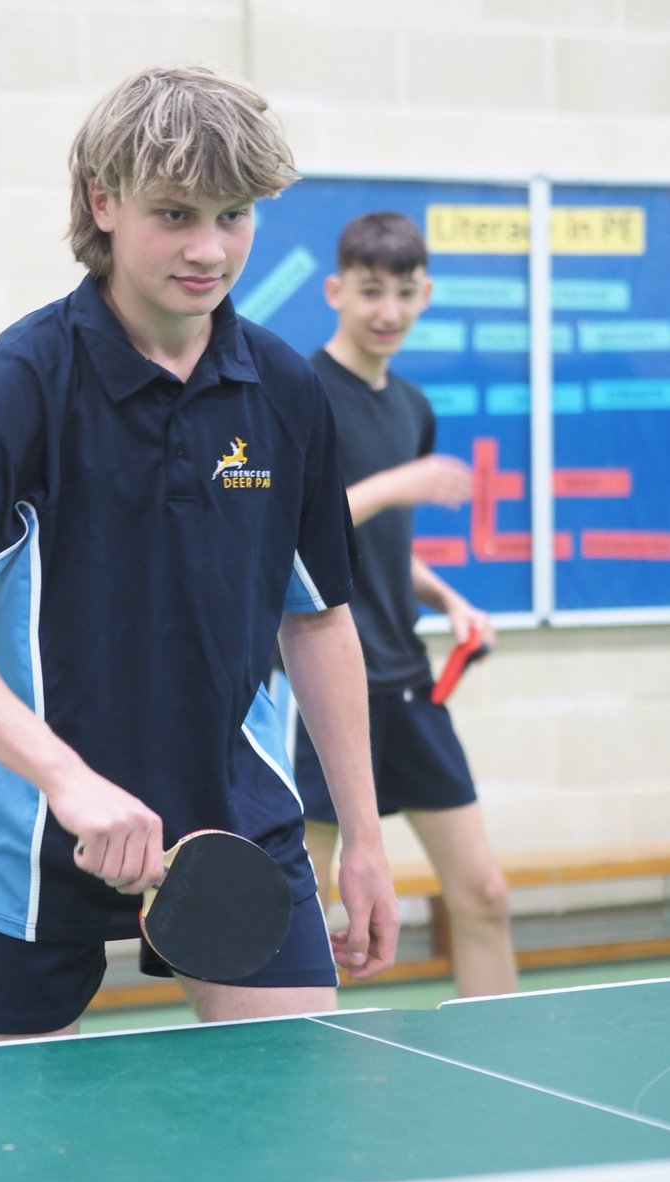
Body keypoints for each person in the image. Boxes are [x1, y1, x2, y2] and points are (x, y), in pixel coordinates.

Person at [0, 67, 399, 1043]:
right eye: (176, 212)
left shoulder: (282, 389)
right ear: (104, 202)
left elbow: (316, 615)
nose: (209, 248)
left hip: (237, 821)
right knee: (11, 1164)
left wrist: (362, 835)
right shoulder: (23, 382)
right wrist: (66, 778)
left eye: (234, 214)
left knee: (292, 1144)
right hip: (32, 839)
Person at [270, 211, 517, 998]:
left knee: (483, 892)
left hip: (407, 683)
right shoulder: (298, 394)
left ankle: (503, 1065)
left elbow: (377, 549)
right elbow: (290, 539)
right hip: (323, 689)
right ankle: (291, 1074)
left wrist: (449, 595)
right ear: (337, 289)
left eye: (405, 293)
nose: (388, 311)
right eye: (371, 291)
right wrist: (393, 487)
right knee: (298, 911)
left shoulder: (411, 405)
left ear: (426, 295)